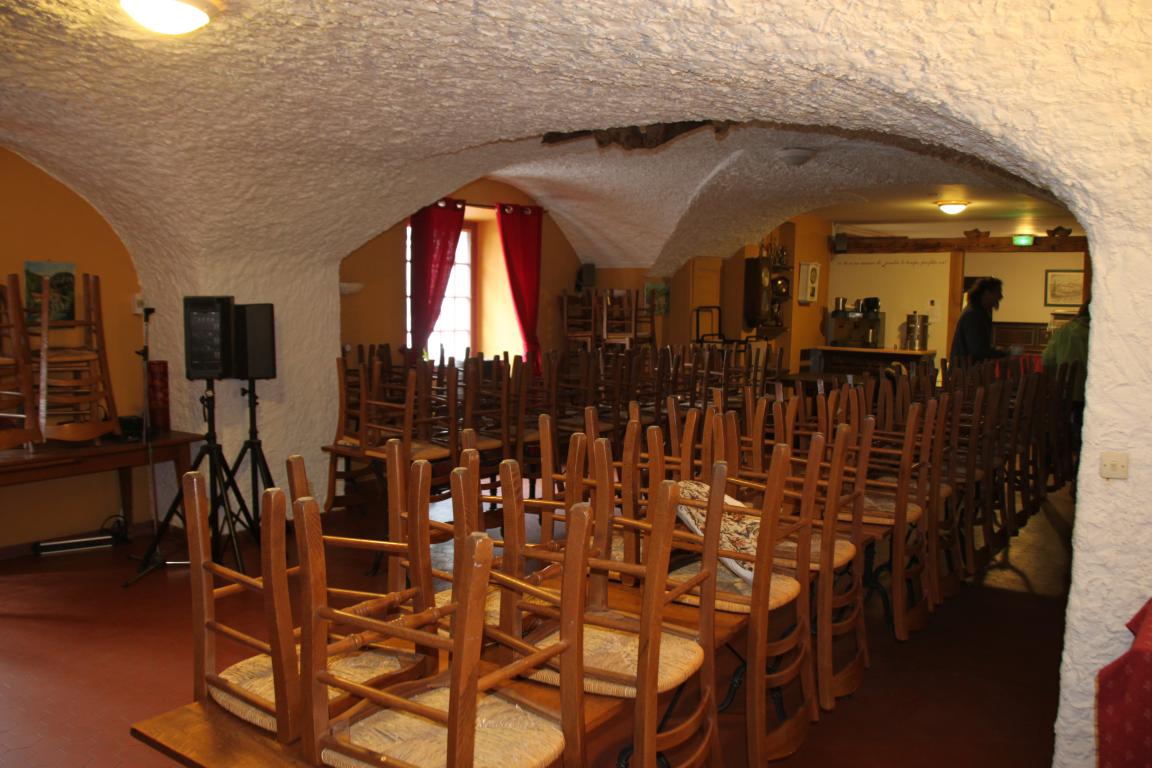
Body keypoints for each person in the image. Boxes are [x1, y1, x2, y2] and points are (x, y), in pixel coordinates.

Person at [950, 277, 1007, 365]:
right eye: (997, 292)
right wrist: (1001, 353)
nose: (1000, 296)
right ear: (987, 293)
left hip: (967, 369)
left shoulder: (978, 312)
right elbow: (977, 350)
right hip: (966, 370)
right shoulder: (973, 314)